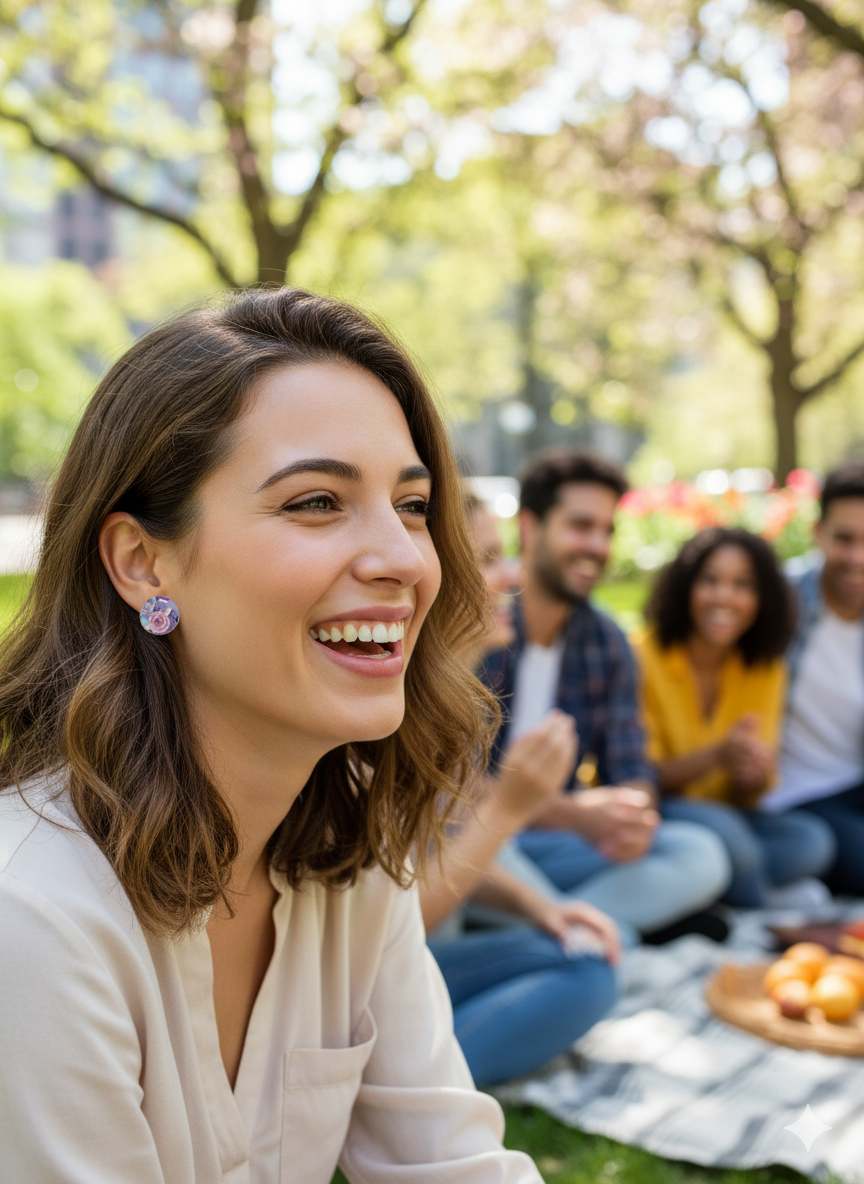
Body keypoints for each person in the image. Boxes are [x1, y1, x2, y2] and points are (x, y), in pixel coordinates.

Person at [0, 288, 545, 1183]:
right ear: (144, 563)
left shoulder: (353, 851)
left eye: (411, 506)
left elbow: (452, 1166)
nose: (405, 560)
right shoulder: (34, 920)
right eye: (317, 502)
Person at [481, 449, 732, 941]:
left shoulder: (607, 640)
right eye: (581, 526)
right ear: (529, 528)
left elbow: (631, 767)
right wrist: (574, 813)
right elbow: (446, 797)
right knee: (454, 853)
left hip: (559, 847)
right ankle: (593, 932)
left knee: (702, 854)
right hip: (475, 844)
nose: (597, 545)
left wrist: (630, 818)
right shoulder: (480, 624)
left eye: (607, 530)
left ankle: (562, 933)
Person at [421, 494, 619, 1086]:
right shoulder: (374, 714)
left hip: (411, 958)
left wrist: (546, 908)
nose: (512, 575)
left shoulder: (454, 703)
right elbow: (390, 930)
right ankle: (399, 1096)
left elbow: (442, 847)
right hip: (362, 983)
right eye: (487, 559)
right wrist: (510, 807)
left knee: (589, 958)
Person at [634, 527, 835, 908]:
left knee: (812, 841)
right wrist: (718, 756)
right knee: (733, 843)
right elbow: (641, 775)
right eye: (710, 581)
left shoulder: (766, 669)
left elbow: (755, 792)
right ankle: (760, 903)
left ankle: (715, 890)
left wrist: (751, 774)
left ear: (761, 599)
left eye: (743, 585)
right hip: (661, 811)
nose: (725, 596)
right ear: (686, 587)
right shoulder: (643, 656)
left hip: (730, 816)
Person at [762, 463, 864, 897]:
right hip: (797, 793)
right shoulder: (778, 600)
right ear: (818, 532)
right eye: (845, 539)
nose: (857, 557)